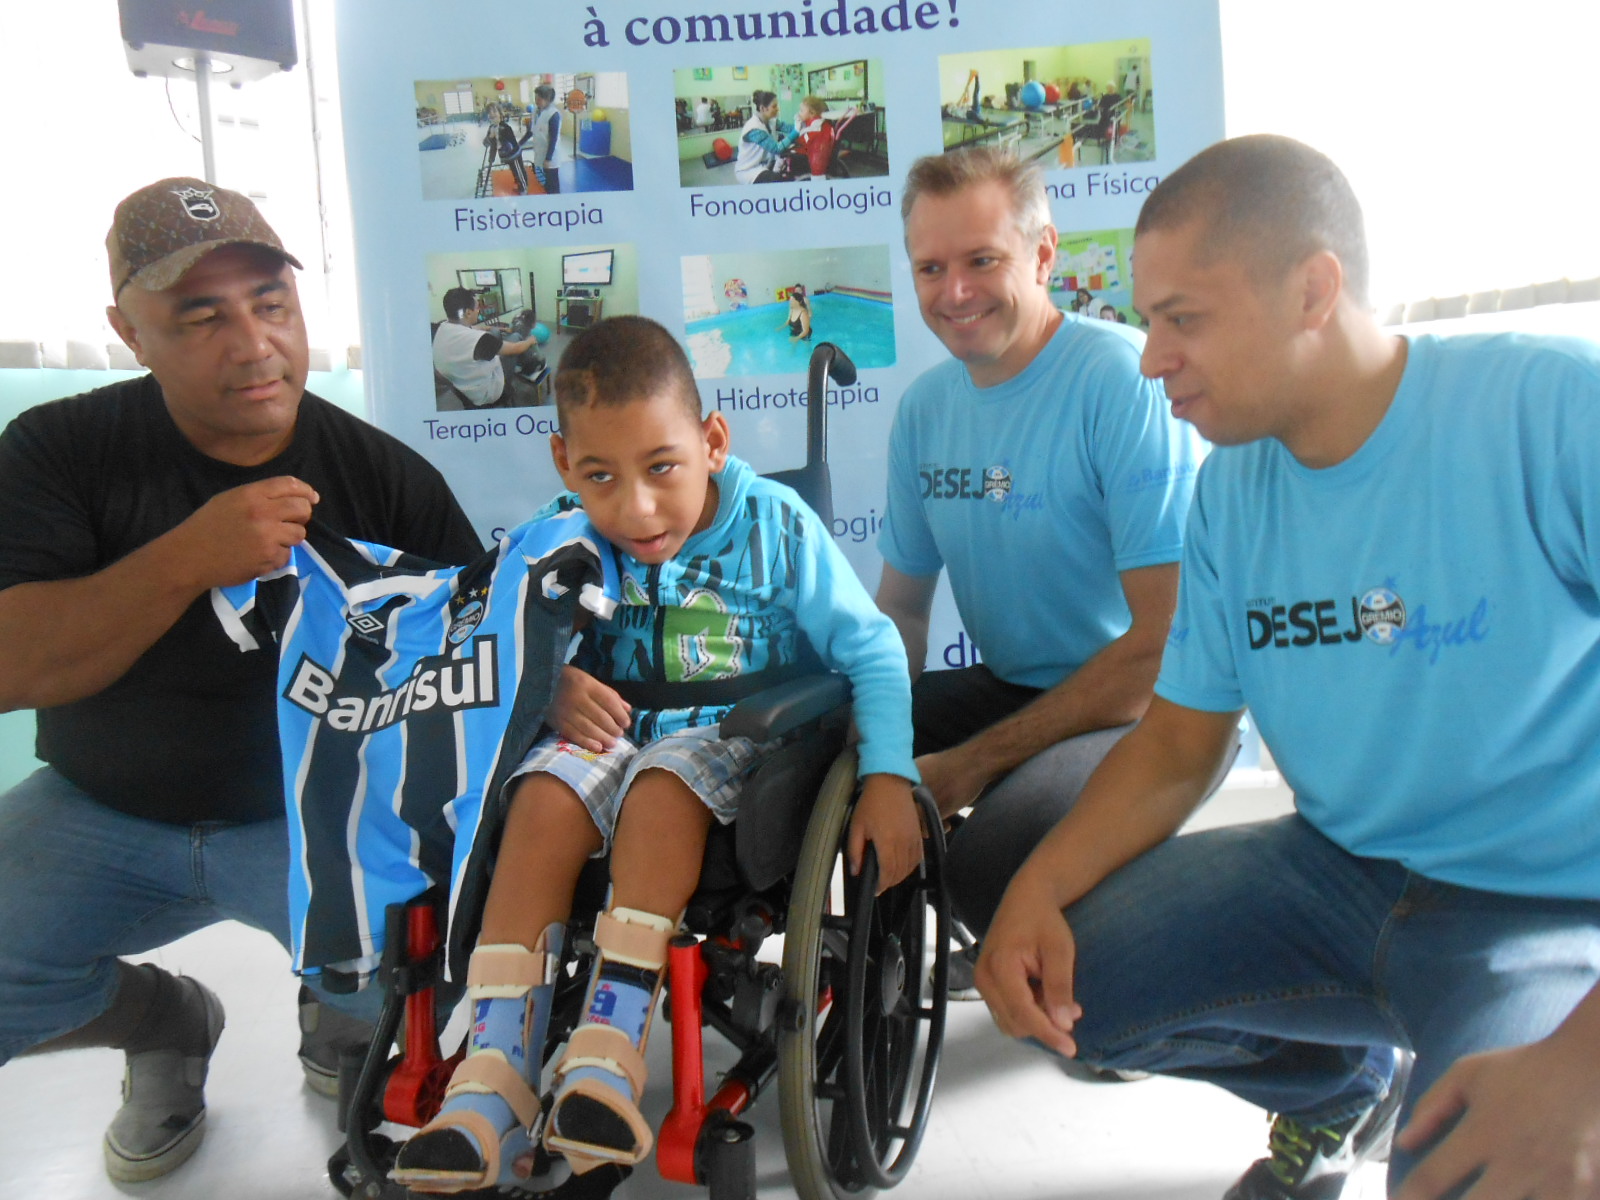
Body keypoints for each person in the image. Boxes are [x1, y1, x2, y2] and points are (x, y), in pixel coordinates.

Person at [976, 133, 1600, 1200]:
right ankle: (1333, 1093)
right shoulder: (1230, 491)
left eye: (1183, 317)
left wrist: (1582, 1072)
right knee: (1065, 991)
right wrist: (1032, 891)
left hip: (1542, 911)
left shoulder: (1549, 414)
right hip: (1336, 873)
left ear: (1313, 291)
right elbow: (1178, 742)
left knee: (1485, 1171)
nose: (1149, 356)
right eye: (1147, 318)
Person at [0, 178, 482, 1182]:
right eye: (201, 315)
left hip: (318, 828)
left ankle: (342, 1011)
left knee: (437, 993)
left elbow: (468, 673)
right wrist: (190, 555)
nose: (254, 342)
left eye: (271, 303)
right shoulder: (58, 451)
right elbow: (14, 665)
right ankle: (166, 1024)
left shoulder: (386, 478)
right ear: (128, 332)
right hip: (103, 809)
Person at [390, 316, 922, 1191]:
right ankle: (491, 1077)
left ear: (712, 440)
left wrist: (892, 776)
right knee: (539, 799)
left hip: (733, 740)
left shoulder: (776, 529)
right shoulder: (559, 537)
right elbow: (493, 638)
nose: (635, 507)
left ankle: (608, 1050)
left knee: (665, 784)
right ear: (564, 464)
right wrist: (549, 684)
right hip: (601, 732)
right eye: (600, 476)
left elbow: (869, 648)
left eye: (661, 468)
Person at [875, 145, 1209, 991]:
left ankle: (1123, 977)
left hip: (1147, 705)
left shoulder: (1120, 383)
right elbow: (903, 615)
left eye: (982, 260)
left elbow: (1161, 646)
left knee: (991, 861)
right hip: (1016, 682)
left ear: (1043, 254)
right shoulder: (924, 411)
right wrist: (877, 749)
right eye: (931, 267)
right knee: (820, 755)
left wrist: (972, 765)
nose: (955, 292)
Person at [432, 287, 540, 408]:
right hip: (488, 392)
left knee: (494, 332)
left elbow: (478, 329)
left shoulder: (442, 327)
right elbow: (516, 348)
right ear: (468, 312)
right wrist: (530, 340)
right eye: (477, 307)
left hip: (460, 384)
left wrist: (499, 329)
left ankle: (524, 358)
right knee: (515, 337)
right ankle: (532, 362)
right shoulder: (480, 340)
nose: (478, 310)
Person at [734, 90, 798, 184]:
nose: (778, 109)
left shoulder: (771, 121)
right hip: (748, 170)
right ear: (763, 108)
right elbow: (776, 149)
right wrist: (796, 131)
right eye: (774, 106)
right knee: (780, 181)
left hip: (763, 164)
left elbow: (788, 128)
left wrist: (803, 123)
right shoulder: (753, 128)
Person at [527, 84, 565, 194]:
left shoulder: (554, 114)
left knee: (553, 183)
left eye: (539, 98)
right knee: (544, 183)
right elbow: (531, 130)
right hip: (539, 153)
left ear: (548, 99)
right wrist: (519, 144)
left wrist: (548, 159)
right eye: (535, 98)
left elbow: (553, 139)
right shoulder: (536, 111)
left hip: (551, 157)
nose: (536, 101)